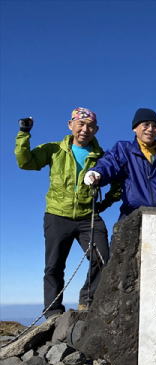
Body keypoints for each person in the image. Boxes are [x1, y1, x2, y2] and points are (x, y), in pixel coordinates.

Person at [14, 108, 121, 317]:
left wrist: (105, 203)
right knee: (54, 266)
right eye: (80, 124)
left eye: (90, 126)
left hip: (88, 216)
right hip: (57, 214)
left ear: (96, 129)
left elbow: (118, 182)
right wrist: (24, 134)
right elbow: (26, 162)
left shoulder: (101, 156)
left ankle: (87, 301)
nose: (85, 129)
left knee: (103, 258)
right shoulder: (54, 149)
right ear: (70, 125)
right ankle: (53, 312)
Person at [84, 108, 156, 217]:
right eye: (146, 124)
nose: (150, 129)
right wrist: (97, 172)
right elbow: (109, 163)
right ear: (135, 128)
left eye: (155, 126)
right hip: (133, 215)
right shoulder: (124, 149)